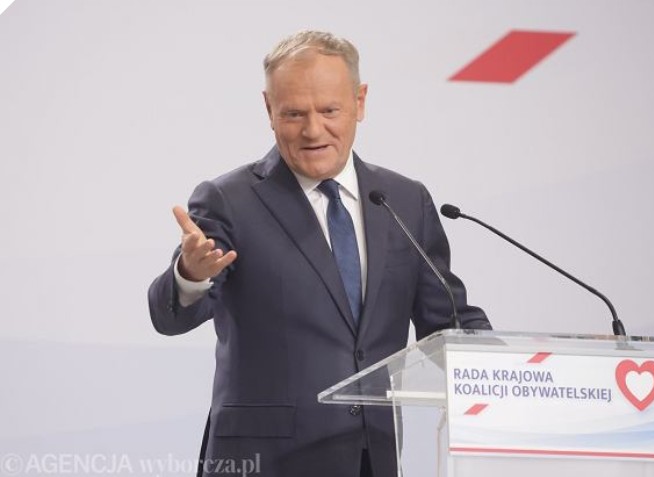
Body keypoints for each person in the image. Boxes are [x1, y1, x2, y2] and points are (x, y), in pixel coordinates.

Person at [148, 30, 491, 477]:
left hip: (370, 459)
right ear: (269, 109)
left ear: (359, 102)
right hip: (263, 463)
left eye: (329, 110)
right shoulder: (229, 200)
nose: (312, 130)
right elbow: (171, 316)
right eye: (294, 113)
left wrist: (525, 372)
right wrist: (191, 275)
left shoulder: (404, 201)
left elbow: (447, 321)